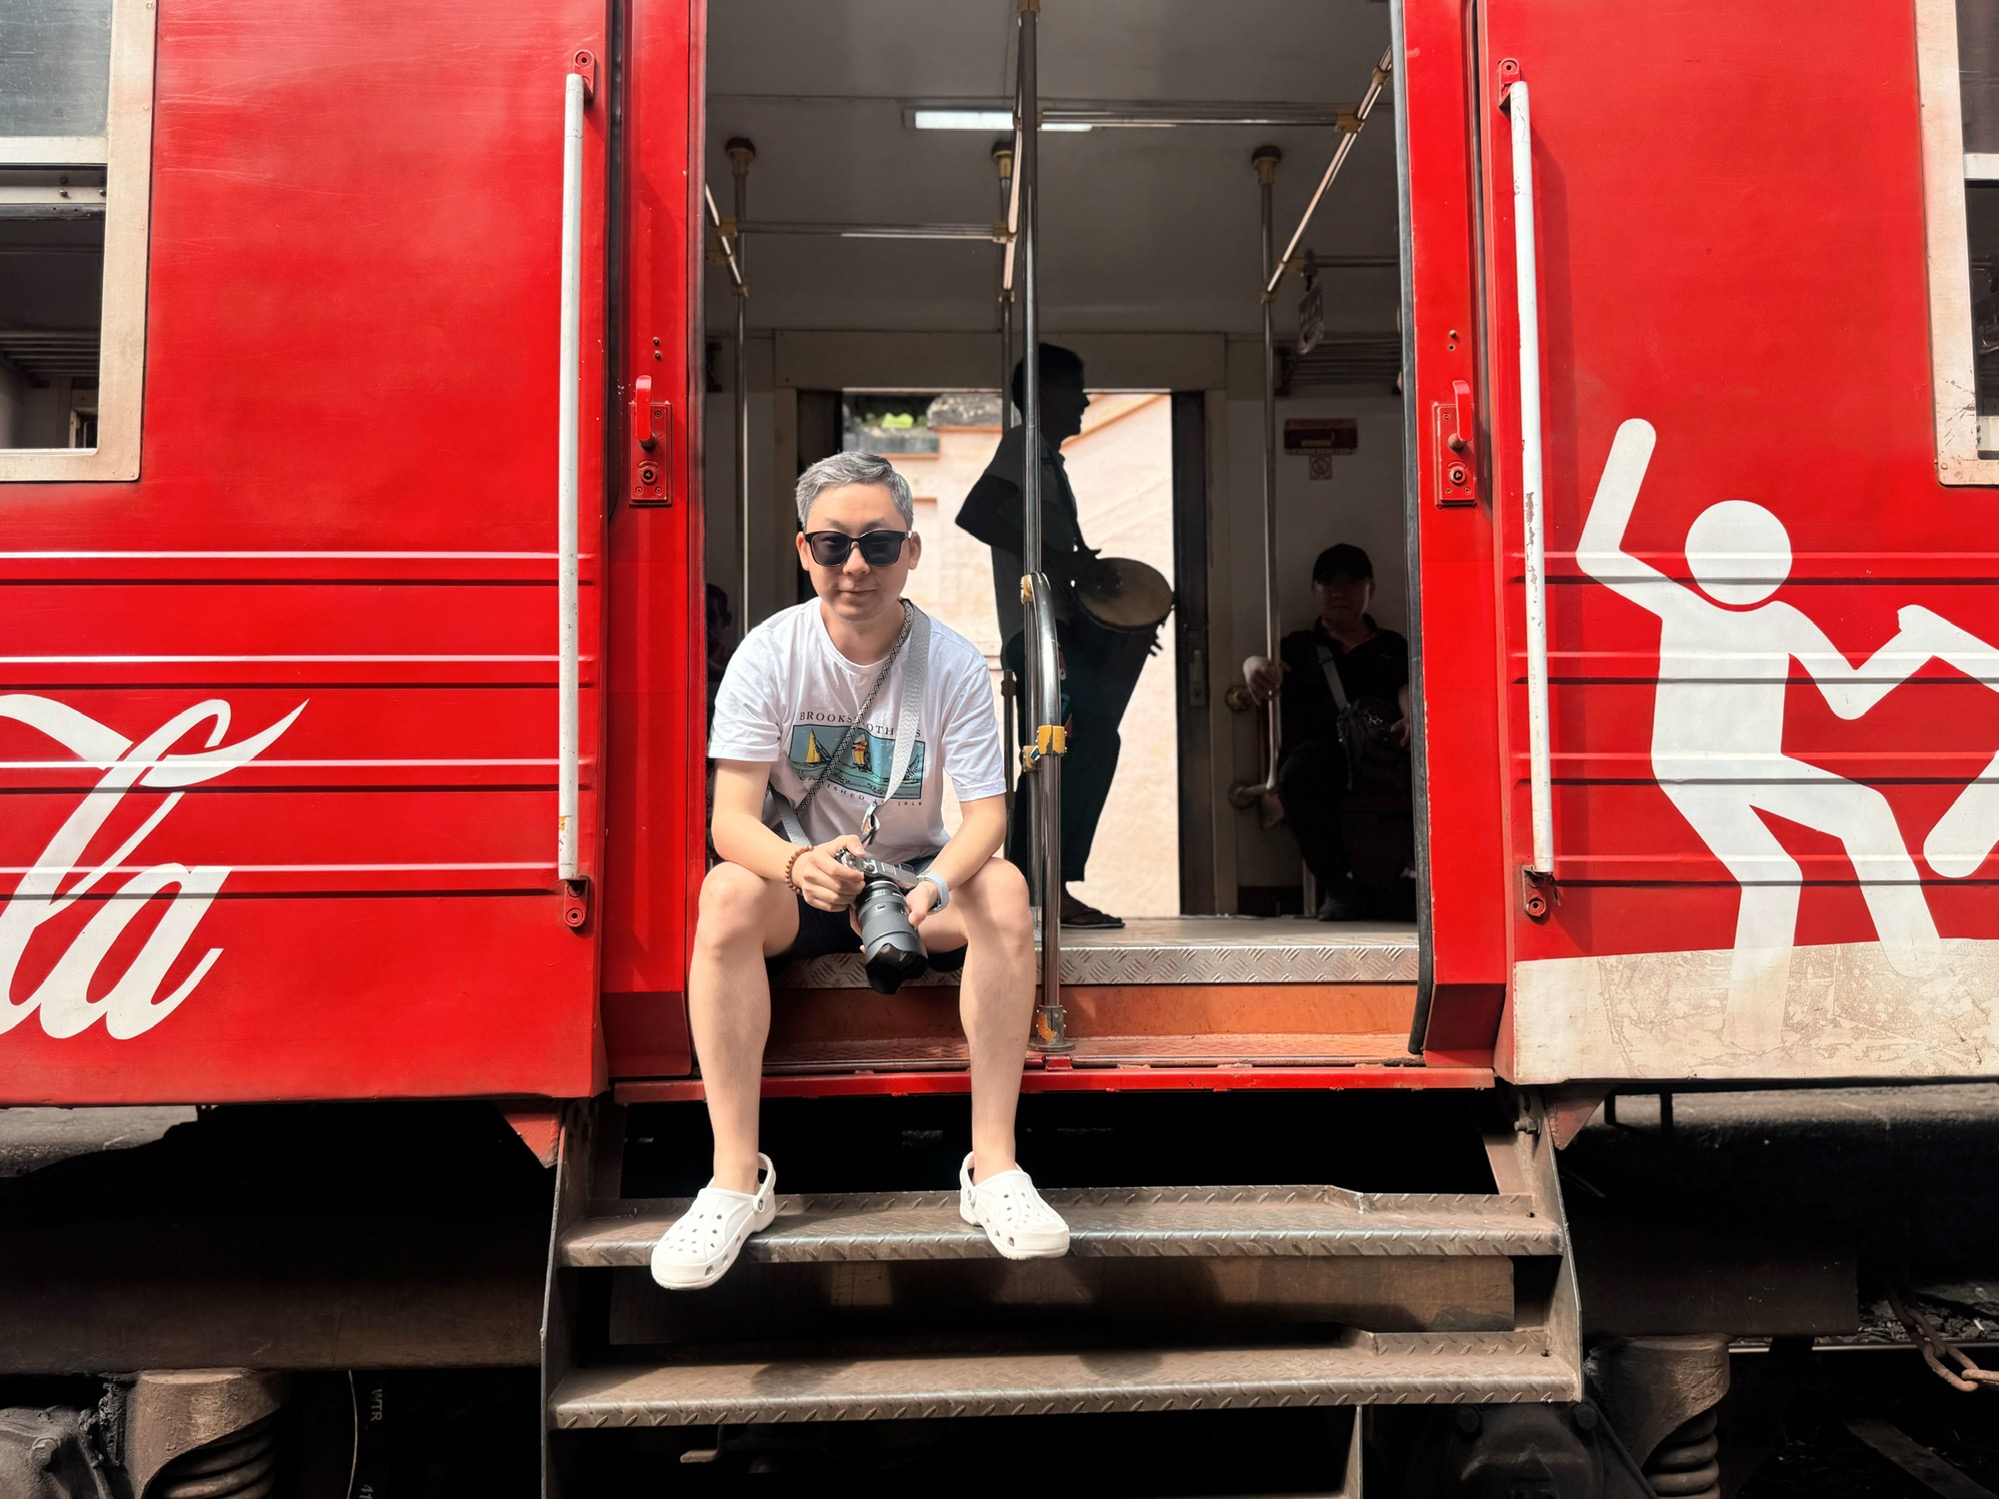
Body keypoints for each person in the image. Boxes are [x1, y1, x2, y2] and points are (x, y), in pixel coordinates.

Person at [652, 451, 1070, 1290]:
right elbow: (730, 822)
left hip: (911, 886)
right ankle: (733, 1179)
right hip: (803, 879)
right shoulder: (769, 655)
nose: (855, 565)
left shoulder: (950, 662)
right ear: (802, 550)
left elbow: (987, 817)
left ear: (910, 551)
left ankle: (994, 1167)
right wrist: (797, 863)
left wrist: (932, 885)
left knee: (1004, 888)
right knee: (725, 892)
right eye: (832, 543)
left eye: (878, 544)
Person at [956, 344, 1155, 929]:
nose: (1086, 401)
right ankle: (1046, 887)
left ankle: (1032, 886)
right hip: (1037, 636)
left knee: (1064, 749)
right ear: (1044, 394)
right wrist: (1065, 562)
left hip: (1057, 631)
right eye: (1076, 389)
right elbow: (976, 514)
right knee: (1074, 745)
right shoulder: (1023, 445)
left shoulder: (1043, 457)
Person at [1242, 543, 1415, 921]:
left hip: (1382, 752)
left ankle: (1404, 880)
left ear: (1370, 589)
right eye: (1329, 583)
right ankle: (1339, 887)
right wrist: (1251, 665)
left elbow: (1407, 688)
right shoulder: (1299, 645)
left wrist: (1410, 719)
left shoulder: (1391, 645)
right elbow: (1266, 666)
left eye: (1351, 583)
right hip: (1323, 754)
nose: (1339, 592)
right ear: (1314, 590)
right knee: (1297, 774)